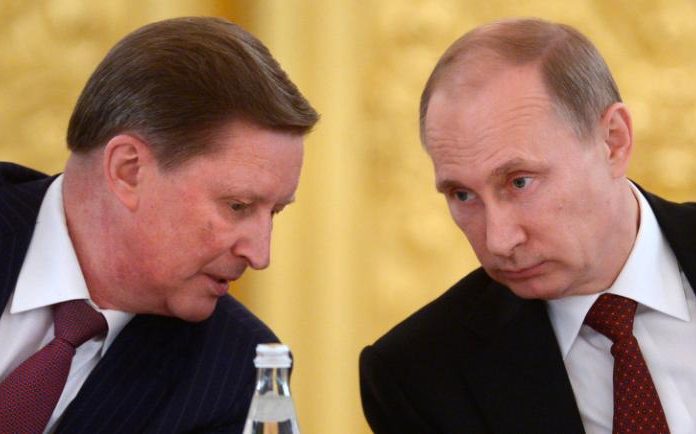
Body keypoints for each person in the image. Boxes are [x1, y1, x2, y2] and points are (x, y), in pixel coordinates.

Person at [360, 17, 696, 433]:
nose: (499, 241)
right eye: (462, 195)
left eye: (519, 182)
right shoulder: (419, 377)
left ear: (613, 141)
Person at [0, 17, 318, 433]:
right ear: (129, 170)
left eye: (274, 212)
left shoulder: (230, 371)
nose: (260, 255)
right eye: (238, 206)